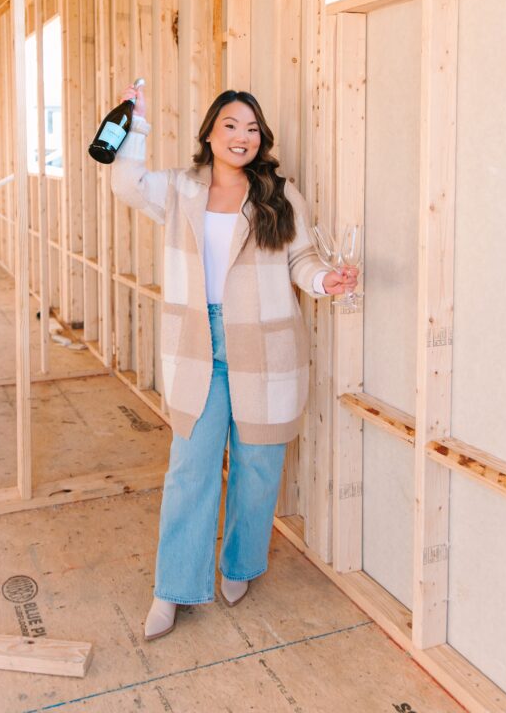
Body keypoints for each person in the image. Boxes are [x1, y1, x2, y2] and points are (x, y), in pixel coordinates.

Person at [111, 84, 358, 641]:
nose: (241, 136)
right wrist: (137, 124)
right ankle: (172, 588)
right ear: (209, 133)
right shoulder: (179, 189)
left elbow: (301, 260)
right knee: (189, 470)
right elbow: (126, 181)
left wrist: (327, 281)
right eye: (230, 125)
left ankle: (240, 567)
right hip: (199, 346)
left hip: (265, 349)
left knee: (258, 468)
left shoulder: (279, 194)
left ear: (260, 137)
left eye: (251, 128)